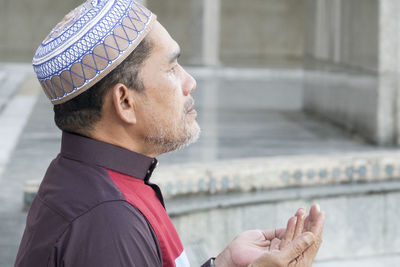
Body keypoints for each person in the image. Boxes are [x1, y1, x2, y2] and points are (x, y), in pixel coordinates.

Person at [15, 0, 325, 266]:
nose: (189, 82)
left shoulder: (99, 185)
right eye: (172, 68)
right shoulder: (109, 222)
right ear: (125, 101)